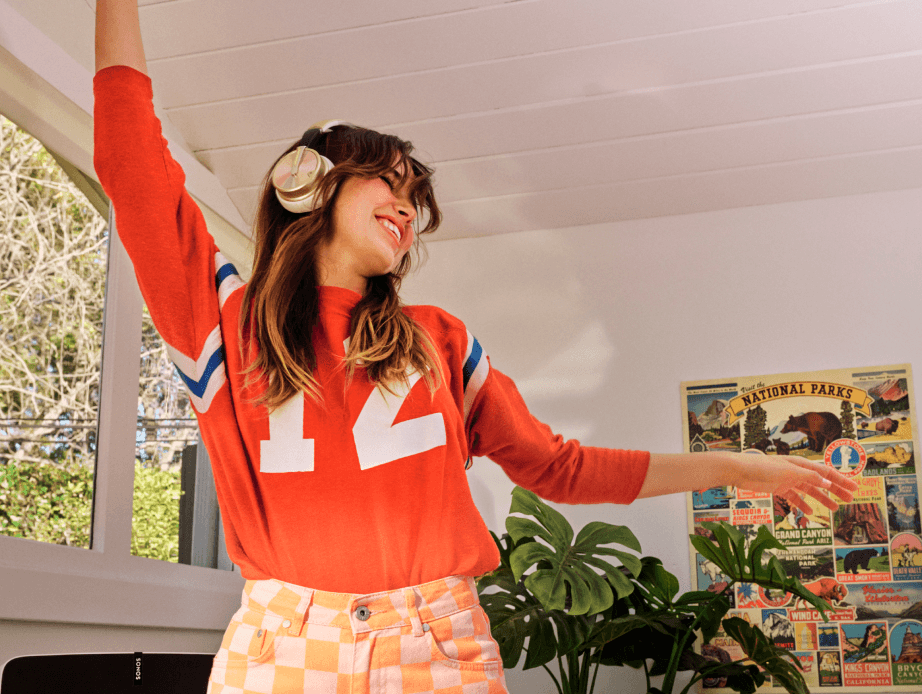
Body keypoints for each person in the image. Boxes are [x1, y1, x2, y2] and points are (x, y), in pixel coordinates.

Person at [94, 3, 858, 693]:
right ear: (309, 185)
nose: (406, 207)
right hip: (283, 648)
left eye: (414, 198)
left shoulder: (439, 342)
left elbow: (559, 467)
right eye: (386, 183)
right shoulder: (225, 325)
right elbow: (132, 162)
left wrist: (739, 465)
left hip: (436, 645)